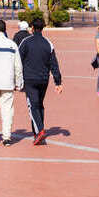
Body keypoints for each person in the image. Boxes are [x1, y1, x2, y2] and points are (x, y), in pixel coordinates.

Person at [18, 17, 62, 145]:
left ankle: (40, 131)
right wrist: (58, 82)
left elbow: (18, 60)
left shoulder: (26, 42)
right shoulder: (48, 43)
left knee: (33, 106)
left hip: (30, 79)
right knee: (39, 105)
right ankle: (37, 133)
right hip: (43, 79)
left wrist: (16, 78)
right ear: (42, 28)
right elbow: (54, 63)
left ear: (32, 28)